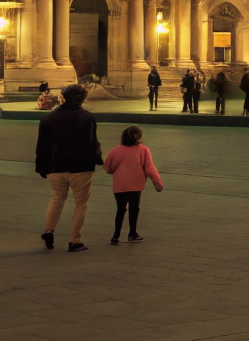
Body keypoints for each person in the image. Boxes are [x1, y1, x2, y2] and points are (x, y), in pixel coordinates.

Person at [36, 84, 103, 252]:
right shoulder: (86, 117)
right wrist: (98, 159)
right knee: (80, 204)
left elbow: (42, 147)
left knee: (57, 198)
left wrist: (42, 167)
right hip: (81, 168)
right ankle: (74, 240)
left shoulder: (48, 118)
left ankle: (49, 231)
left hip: (56, 167)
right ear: (82, 99)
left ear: (63, 97)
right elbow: (92, 143)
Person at [104, 125, 163, 245]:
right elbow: (149, 169)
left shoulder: (115, 150)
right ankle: (132, 233)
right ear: (139, 137)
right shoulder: (143, 150)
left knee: (120, 209)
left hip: (120, 186)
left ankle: (116, 236)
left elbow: (108, 168)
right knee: (134, 209)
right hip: (136, 185)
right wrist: (158, 183)